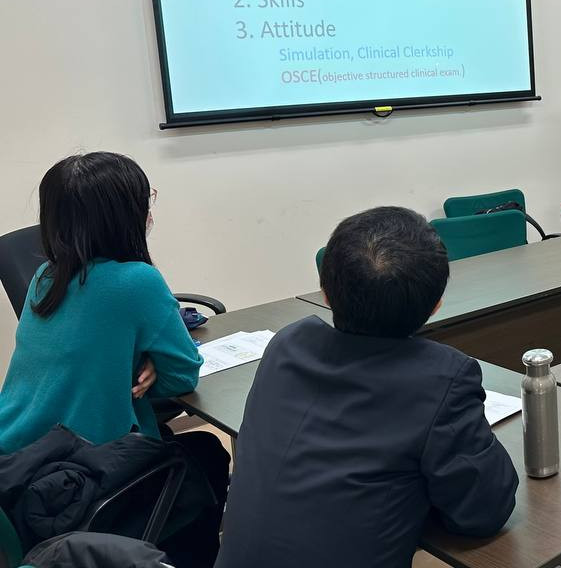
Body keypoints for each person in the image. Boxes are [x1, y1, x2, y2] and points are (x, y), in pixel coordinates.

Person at [216, 206, 518, 568]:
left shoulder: (288, 343)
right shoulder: (442, 379)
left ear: (325, 293)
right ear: (437, 305)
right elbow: (483, 512)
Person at [0, 152, 228, 567]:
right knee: (209, 454)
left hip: (15, 460)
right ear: (125, 215)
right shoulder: (137, 281)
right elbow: (182, 376)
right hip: (76, 475)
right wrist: (153, 365)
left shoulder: (44, 277)